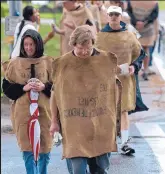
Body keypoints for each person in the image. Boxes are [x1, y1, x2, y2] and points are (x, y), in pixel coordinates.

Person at [49, 25, 122, 174]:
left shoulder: (106, 60)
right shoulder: (62, 64)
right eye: (80, 48)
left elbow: (115, 87)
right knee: (78, 169)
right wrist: (54, 121)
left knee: (101, 168)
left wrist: (113, 115)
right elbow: (55, 94)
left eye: (88, 48)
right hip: (73, 124)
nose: (84, 52)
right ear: (73, 44)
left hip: (101, 122)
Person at [2, 29, 53, 174]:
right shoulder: (15, 63)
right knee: (27, 148)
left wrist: (44, 87)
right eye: (26, 45)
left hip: (45, 112)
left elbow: (58, 85)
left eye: (32, 44)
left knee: (45, 147)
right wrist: (23, 88)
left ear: (38, 44)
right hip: (23, 113)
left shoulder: (48, 62)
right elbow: (6, 87)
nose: (29, 48)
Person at [96, 6, 142, 155]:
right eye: (111, 14)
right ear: (107, 16)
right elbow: (92, 57)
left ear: (120, 17)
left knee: (123, 111)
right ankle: (106, 141)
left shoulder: (129, 35)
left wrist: (134, 66)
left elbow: (140, 54)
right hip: (105, 80)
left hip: (125, 80)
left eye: (117, 14)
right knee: (106, 111)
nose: (114, 17)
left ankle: (124, 143)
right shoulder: (100, 36)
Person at [127, 1, 159, 80]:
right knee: (144, 49)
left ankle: (139, 70)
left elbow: (128, 11)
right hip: (145, 27)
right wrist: (144, 22)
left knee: (136, 49)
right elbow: (154, 14)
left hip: (136, 27)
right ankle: (144, 70)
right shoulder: (154, 2)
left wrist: (136, 22)